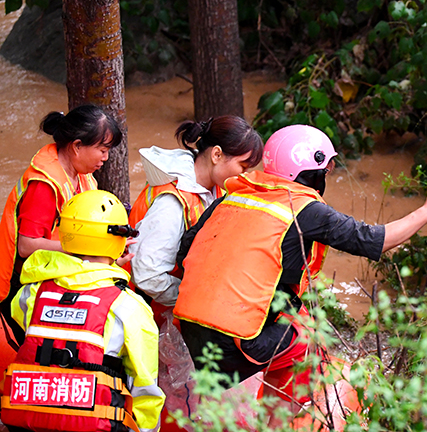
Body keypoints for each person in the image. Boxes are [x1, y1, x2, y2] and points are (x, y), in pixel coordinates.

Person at [174, 124, 427, 404]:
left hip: (190, 328)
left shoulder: (234, 196)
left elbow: (185, 252)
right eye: (327, 169)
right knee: (308, 340)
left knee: (294, 314)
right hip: (235, 344)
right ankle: (277, 425)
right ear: (311, 172)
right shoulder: (305, 209)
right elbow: (374, 239)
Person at [0, 190, 164, 432]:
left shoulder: (32, 292)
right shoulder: (129, 307)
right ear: (119, 241)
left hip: (29, 420)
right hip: (96, 423)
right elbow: (145, 387)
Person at [0, 105, 122, 344]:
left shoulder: (82, 174)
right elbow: (26, 245)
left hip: (55, 273)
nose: (106, 158)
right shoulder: (45, 185)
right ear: (77, 146)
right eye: (102, 149)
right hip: (21, 286)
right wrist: (85, 250)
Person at [128, 116, 263, 322]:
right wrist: (200, 300)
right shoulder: (171, 201)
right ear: (217, 154)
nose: (245, 176)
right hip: (146, 312)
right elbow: (148, 276)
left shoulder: (215, 187)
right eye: (243, 167)